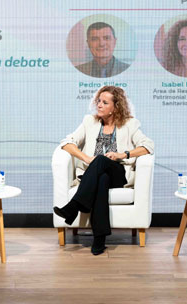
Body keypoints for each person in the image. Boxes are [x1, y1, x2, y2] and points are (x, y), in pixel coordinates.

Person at [53, 86, 154, 255]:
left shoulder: (130, 124)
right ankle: (99, 240)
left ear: (116, 107)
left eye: (105, 102)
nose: (99, 105)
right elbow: (67, 142)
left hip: (119, 173)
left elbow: (148, 146)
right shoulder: (89, 122)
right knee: (102, 178)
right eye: (98, 101)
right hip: (97, 174)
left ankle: (74, 206)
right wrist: (85, 158)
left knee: (102, 160)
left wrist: (123, 154)